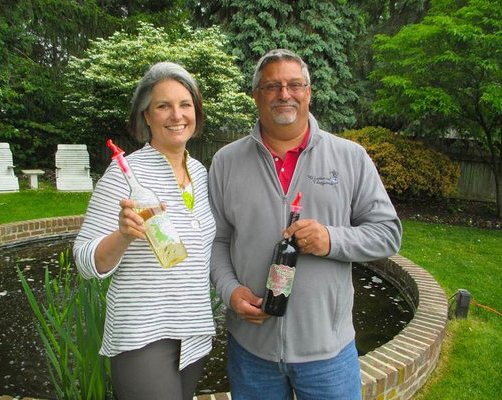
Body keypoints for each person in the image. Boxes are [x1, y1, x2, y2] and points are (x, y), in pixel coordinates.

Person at [208, 49, 402, 400]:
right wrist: (229, 291)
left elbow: (388, 233)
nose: (285, 94)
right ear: (256, 96)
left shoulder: (350, 158)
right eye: (272, 86)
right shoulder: (226, 162)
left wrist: (331, 239)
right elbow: (217, 241)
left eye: (294, 84)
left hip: (328, 354)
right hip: (251, 352)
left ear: (308, 92)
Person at [73, 62, 216, 400]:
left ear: (196, 110)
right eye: (163, 106)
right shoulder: (125, 174)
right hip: (143, 334)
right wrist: (122, 235)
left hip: (193, 332)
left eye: (185, 104)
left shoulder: (200, 171)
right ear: (146, 116)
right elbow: (84, 260)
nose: (176, 115)